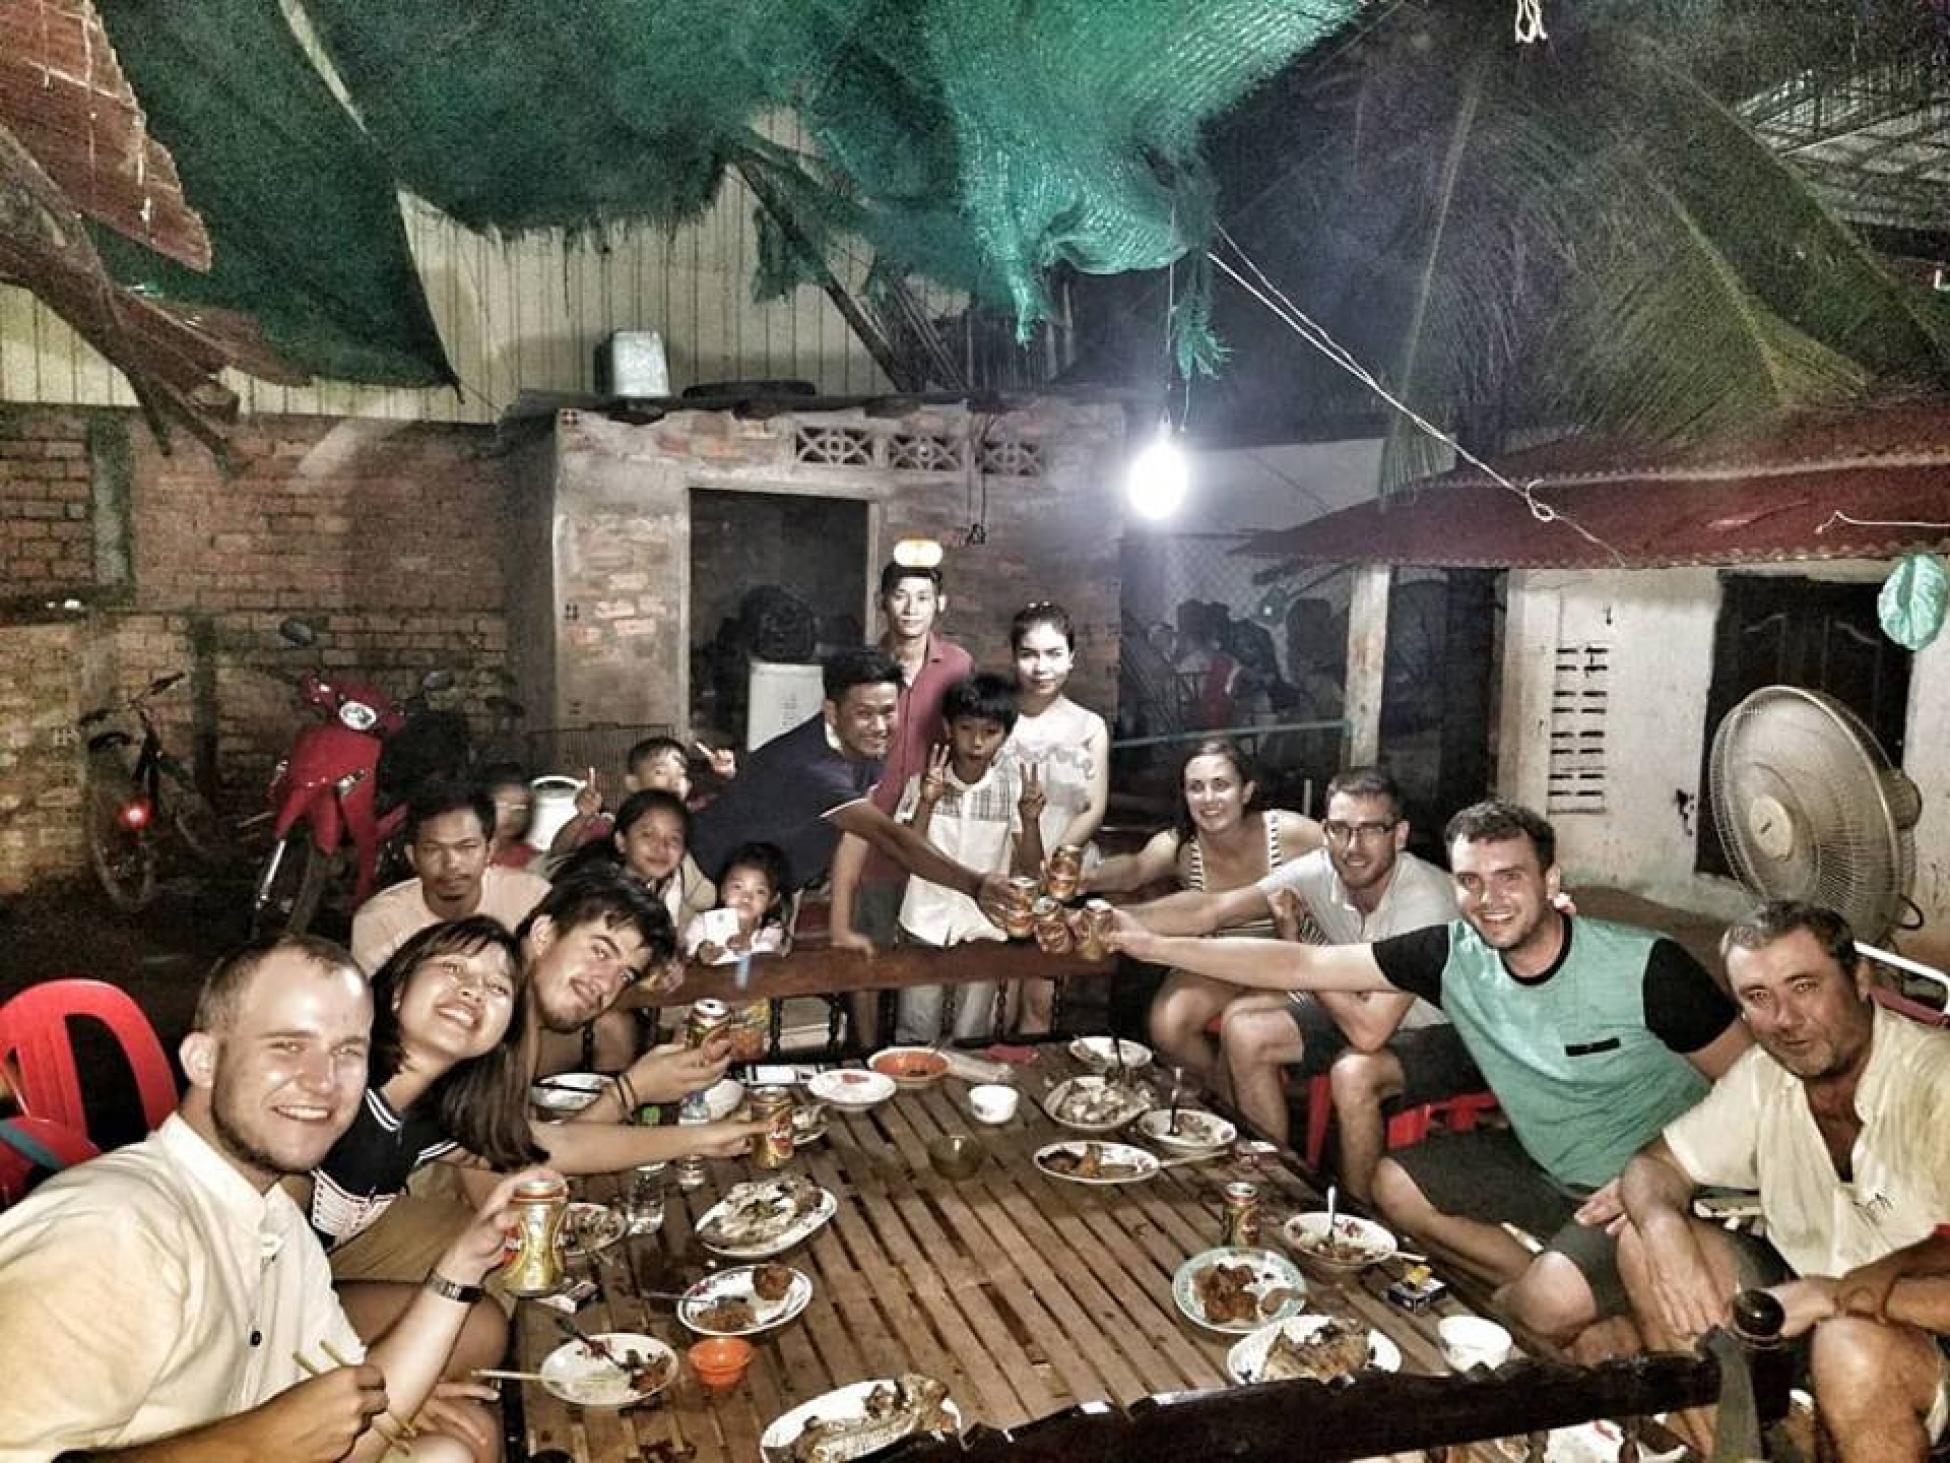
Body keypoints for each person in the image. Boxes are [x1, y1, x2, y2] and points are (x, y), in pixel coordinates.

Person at [1107, 798, 1750, 1348]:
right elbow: (1300, 964)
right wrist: (1152, 945)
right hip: (1543, 1166)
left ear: (1551, 879)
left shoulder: (1648, 967)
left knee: (1542, 1310)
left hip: (1648, 1187)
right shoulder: (1452, 954)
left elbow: (1756, 1087)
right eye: (1471, 881)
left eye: (1509, 878)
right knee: (1393, 1186)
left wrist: (1658, 1172)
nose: (1489, 900)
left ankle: (1550, 1297)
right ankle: (1552, 1280)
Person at [0, 936, 548, 1463]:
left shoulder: (278, 1224)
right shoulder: (111, 1229)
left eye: (347, 1053)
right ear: (203, 1060)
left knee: (453, 1447)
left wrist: (459, 1269)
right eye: (287, 1046)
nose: (323, 1081)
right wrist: (250, 1446)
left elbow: (350, 1438)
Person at [1615, 902, 1950, 1460]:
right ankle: (1733, 1454)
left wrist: (1832, 1297)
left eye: (1804, 987)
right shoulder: (1766, 1075)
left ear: (1860, 979)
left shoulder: (1936, 1084)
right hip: (1804, 1302)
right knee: (1643, 1243)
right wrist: (1660, 1225)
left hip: (1921, 1329)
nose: (1784, 1019)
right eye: (1758, 997)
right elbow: (1656, 1167)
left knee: (1850, 1347)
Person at [327, 872, 764, 1297]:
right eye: (600, 951)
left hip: (367, 1216)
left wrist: (695, 1130)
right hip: (342, 1234)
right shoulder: (467, 1036)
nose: (605, 985)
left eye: (625, 975)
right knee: (511, 1274)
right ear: (542, 935)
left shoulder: (505, 1030)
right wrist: (631, 1092)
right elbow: (506, 1188)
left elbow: (525, 1145)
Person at [1120, 767, 1465, 1193]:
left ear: (1399, 835)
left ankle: (1353, 1216)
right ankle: (1275, 1183)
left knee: (1354, 1071)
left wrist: (1299, 949)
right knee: (1246, 1030)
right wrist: (1111, 920)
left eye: (1370, 830)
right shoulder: (1322, 870)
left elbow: (1369, 1032)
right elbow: (1212, 910)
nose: (1352, 847)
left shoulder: (1424, 901)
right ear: (1325, 831)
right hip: (1361, 1005)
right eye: (1340, 829)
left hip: (1445, 1028)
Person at [688, 648, 1020, 924]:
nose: (879, 726)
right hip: (704, 881)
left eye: (888, 711)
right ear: (832, 712)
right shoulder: (814, 768)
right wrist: (975, 884)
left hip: (768, 888)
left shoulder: (866, 745)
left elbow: (853, 831)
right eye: (864, 714)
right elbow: (890, 837)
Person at [1089, 738, 1321, 1077]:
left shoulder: (1290, 832)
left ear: (1246, 791)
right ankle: (1220, 1094)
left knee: (1240, 1025)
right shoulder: (1181, 846)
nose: (1208, 799)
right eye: (1196, 788)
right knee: (1168, 1024)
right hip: (1218, 957)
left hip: (1288, 956)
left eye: (1221, 785)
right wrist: (1083, 878)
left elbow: (1347, 856)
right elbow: (1134, 870)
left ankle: (1246, 1088)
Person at [870, 672, 1045, 1043]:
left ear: (1006, 735)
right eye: (966, 728)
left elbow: (1031, 868)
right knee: (916, 1028)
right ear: (949, 728)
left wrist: (1031, 821)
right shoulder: (923, 784)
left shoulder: (1012, 789)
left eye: (990, 732)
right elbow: (908, 851)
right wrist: (927, 802)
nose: (977, 742)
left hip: (985, 924)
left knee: (973, 1032)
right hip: (924, 920)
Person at [1003, 602, 1108, 1033]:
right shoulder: (996, 718)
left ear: (1071, 657)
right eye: (1029, 654)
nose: (1041, 666)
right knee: (994, 992)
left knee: (1041, 998)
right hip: (999, 868)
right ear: (1013, 656)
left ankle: (1031, 1070)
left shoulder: (1090, 726)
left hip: (1062, 874)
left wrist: (1053, 864)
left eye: (1053, 654)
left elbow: (1094, 806)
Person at [351, 782, 550, 973]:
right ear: (412, 856)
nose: (451, 863)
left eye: (466, 847)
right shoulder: (379, 922)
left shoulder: (532, 897)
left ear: (489, 850)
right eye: (433, 849)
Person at [683, 841, 792, 1060]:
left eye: (759, 891)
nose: (747, 897)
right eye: (737, 887)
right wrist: (702, 954)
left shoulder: (770, 930)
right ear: (722, 890)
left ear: (772, 900)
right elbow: (689, 953)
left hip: (748, 1013)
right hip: (707, 1008)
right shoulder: (703, 923)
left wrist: (748, 946)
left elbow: (769, 956)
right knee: (696, 1056)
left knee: (744, 1056)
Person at [547, 734, 736, 859]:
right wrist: (582, 818)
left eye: (681, 774)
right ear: (633, 783)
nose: (674, 781)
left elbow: (734, 806)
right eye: (660, 772)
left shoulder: (697, 817)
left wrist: (728, 775)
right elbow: (558, 853)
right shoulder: (614, 825)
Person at [482, 763, 537, 870]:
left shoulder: (531, 859)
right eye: (502, 805)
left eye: (520, 807)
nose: (511, 814)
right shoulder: (464, 853)